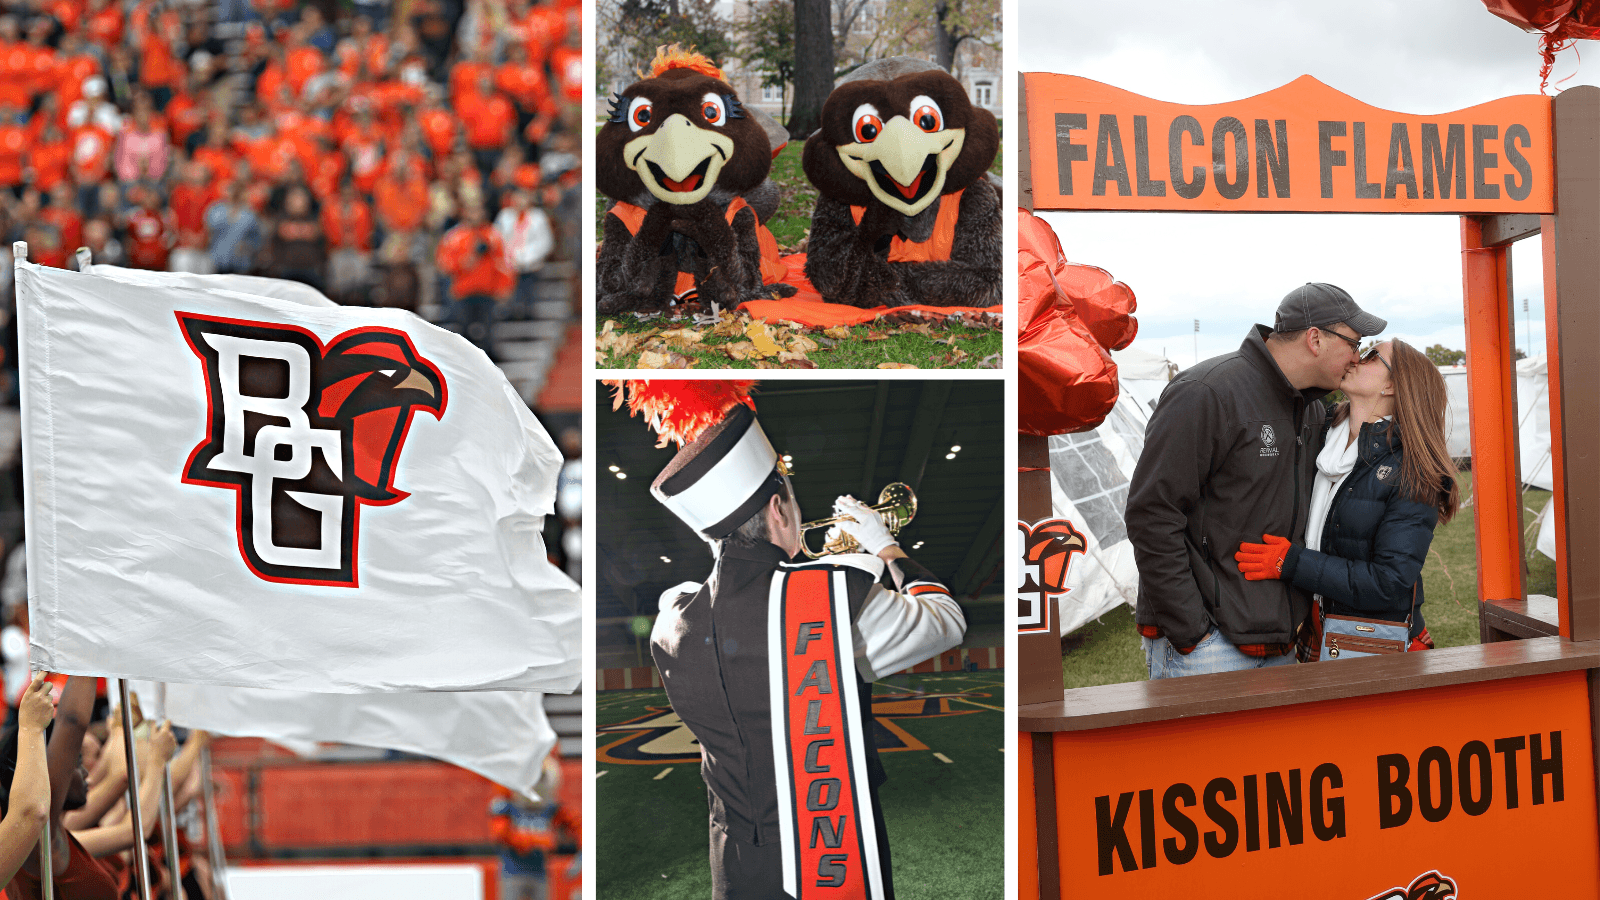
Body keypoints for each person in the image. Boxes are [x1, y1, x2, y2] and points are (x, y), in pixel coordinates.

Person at [632, 386, 965, 900]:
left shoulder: (672, 617)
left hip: (735, 863)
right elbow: (946, 621)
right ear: (778, 510)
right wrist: (884, 546)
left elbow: (734, 601)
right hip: (828, 855)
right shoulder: (829, 601)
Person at [1126, 283, 1385, 678]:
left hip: (1279, 642)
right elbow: (1152, 515)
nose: (1356, 356)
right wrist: (1192, 632)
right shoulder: (1207, 392)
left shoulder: (1311, 408)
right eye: (1355, 341)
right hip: (1211, 648)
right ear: (1315, 339)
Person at [1234, 339, 1460, 658]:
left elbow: (1388, 582)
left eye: (1370, 355)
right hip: (1318, 626)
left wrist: (1291, 562)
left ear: (1392, 385)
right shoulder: (1322, 435)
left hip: (1370, 639)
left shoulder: (1411, 470)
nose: (1355, 358)